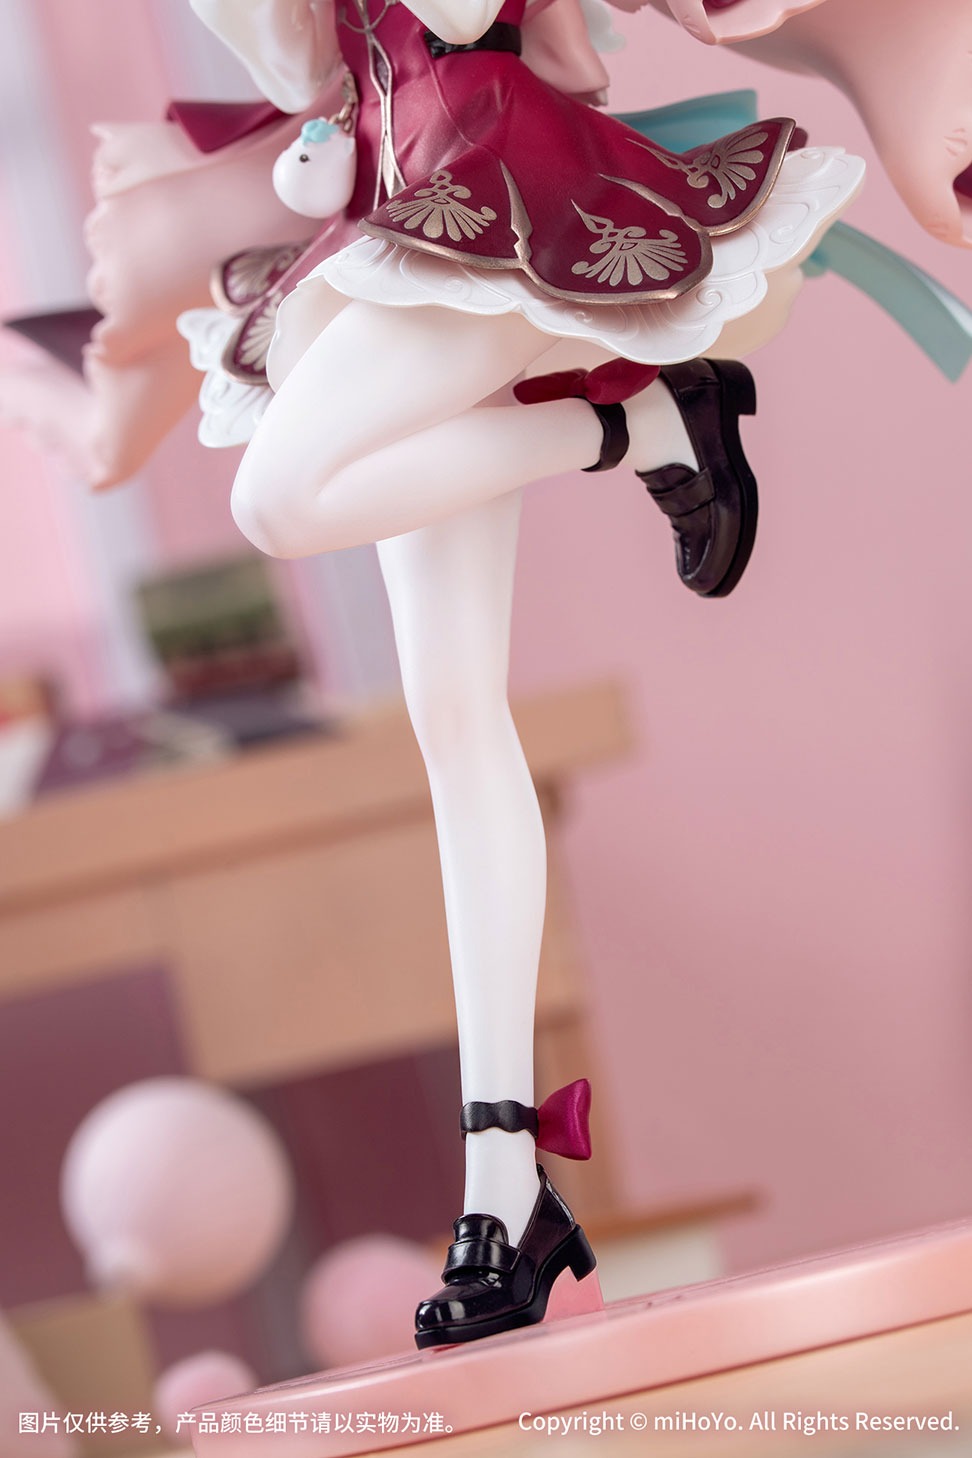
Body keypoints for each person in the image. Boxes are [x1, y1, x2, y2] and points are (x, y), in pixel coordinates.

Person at [183, 0, 862, 1348]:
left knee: (279, 498)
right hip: (390, 216)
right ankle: (507, 1189)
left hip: (492, 186)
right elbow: (306, 64)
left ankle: (642, 430)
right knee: (451, 717)